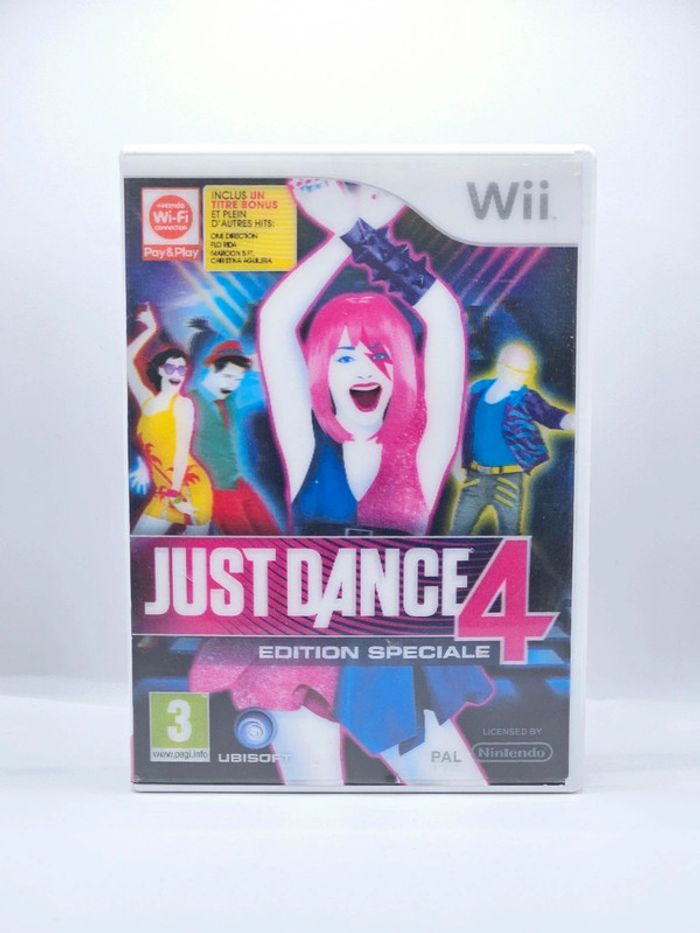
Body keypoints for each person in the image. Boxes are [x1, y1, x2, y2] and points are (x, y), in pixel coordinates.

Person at [190, 180, 492, 786]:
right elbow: (278, 321)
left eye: (380, 355)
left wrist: (363, 235)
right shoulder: (308, 449)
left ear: (400, 369)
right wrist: (343, 238)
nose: (363, 368)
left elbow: (443, 317)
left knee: (459, 791)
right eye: (344, 357)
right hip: (304, 648)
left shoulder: (423, 452)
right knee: (312, 797)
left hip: (388, 653)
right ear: (322, 374)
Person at [450, 342, 575, 536]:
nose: (521, 376)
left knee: (510, 533)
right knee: (458, 531)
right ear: (501, 366)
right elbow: (461, 426)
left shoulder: (525, 397)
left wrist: (576, 421)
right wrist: (457, 461)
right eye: (516, 370)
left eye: (526, 372)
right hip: (475, 477)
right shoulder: (478, 390)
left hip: (508, 480)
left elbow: (549, 415)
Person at [127, 302, 212, 535]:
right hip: (164, 491)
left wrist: (175, 493)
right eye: (171, 368)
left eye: (181, 370)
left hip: (189, 487)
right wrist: (150, 329)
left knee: (194, 552)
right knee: (139, 542)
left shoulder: (183, 405)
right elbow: (127, 361)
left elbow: (182, 451)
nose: (177, 374)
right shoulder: (147, 401)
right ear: (160, 370)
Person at [189, 340, 278, 534]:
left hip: (238, 482)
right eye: (227, 376)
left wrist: (248, 362)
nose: (232, 384)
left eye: (237, 379)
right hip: (212, 487)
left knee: (271, 535)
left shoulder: (231, 400)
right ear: (211, 368)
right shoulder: (188, 401)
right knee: (240, 537)